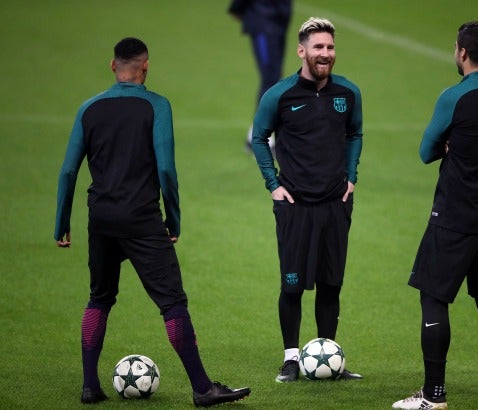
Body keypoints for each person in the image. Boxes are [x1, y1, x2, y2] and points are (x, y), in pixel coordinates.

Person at [54, 37, 250, 407]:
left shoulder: (88, 108)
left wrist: (61, 221)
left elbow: (67, 171)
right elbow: (165, 169)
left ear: (113, 66)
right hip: (142, 219)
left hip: (101, 219)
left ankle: (89, 386)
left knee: (100, 297)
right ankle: (203, 388)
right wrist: (172, 218)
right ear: (146, 66)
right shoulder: (157, 106)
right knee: (172, 302)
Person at [392, 21, 478, 410]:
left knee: (433, 298)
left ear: (462, 53)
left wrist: (452, 144)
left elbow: (426, 150)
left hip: (454, 216)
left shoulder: (455, 97)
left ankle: (433, 396)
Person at [251, 17, 364, 383]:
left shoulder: (348, 94)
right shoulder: (280, 95)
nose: (325, 54)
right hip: (295, 205)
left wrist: (351, 178)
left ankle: (326, 355)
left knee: (332, 284)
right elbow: (259, 138)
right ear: (302, 51)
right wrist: (273, 184)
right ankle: (289, 358)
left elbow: (354, 133)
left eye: (330, 47)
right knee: (292, 285)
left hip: (335, 204)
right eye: (318, 47)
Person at [228, 0, 292, 153]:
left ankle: (257, 135)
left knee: (273, 78)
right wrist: (237, 8)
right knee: (270, 78)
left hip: (278, 25)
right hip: (264, 23)